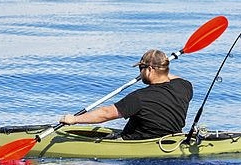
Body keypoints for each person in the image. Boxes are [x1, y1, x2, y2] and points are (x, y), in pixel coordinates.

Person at [59, 49, 193, 140]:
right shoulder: (184, 87)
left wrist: (74, 119)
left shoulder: (139, 98)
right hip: (171, 140)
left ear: (150, 69)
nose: (140, 72)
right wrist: (158, 70)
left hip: (137, 144)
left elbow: (106, 113)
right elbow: (173, 78)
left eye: (141, 69)